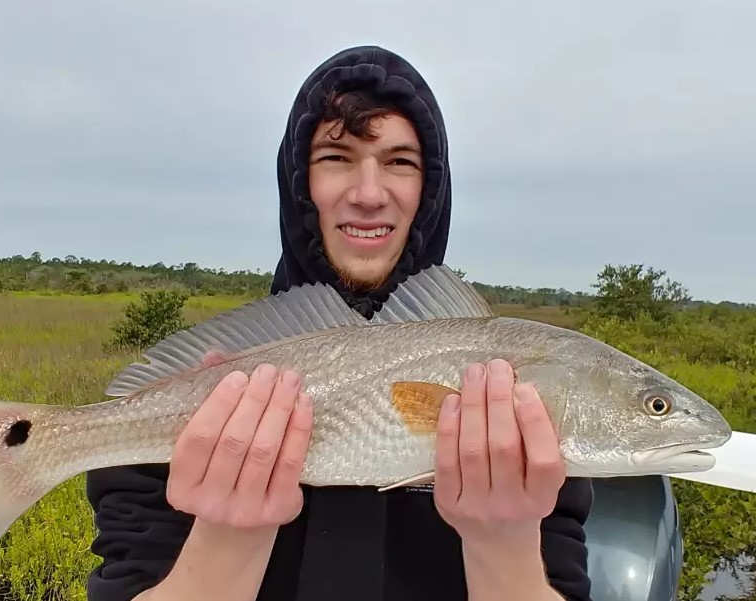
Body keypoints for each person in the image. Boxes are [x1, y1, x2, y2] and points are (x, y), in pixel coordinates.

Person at [85, 45, 593, 601]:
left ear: (432, 191)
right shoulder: (209, 393)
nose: (369, 195)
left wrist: (504, 546)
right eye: (336, 157)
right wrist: (226, 543)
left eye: (400, 162)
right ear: (299, 184)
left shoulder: (527, 416)